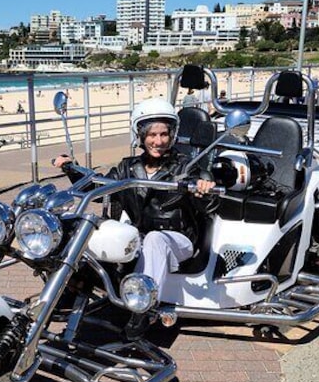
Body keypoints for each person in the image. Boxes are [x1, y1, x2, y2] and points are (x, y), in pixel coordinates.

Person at [53, 98, 216, 323]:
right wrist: (70, 168)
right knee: (92, 232)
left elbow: (207, 200)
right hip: (141, 237)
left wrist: (204, 187)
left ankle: (143, 309)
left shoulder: (185, 166)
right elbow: (97, 187)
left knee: (155, 239)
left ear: (172, 135)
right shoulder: (127, 168)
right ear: (140, 135)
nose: (158, 141)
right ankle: (69, 290)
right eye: (152, 135)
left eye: (164, 134)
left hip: (179, 242)